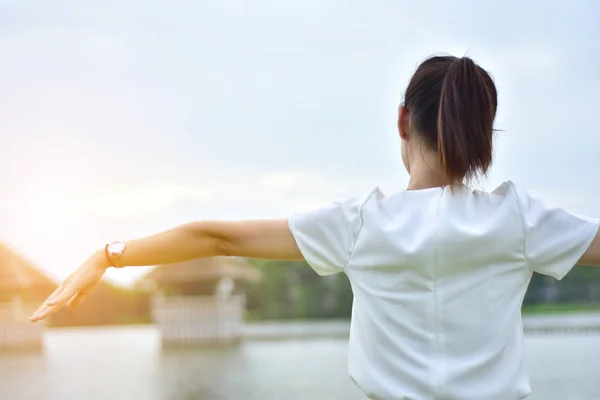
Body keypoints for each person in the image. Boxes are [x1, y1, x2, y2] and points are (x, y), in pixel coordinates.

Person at [30, 55, 600, 400]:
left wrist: (108, 255)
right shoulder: (518, 220)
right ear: (482, 133)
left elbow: (216, 236)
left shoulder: (357, 226)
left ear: (402, 120)